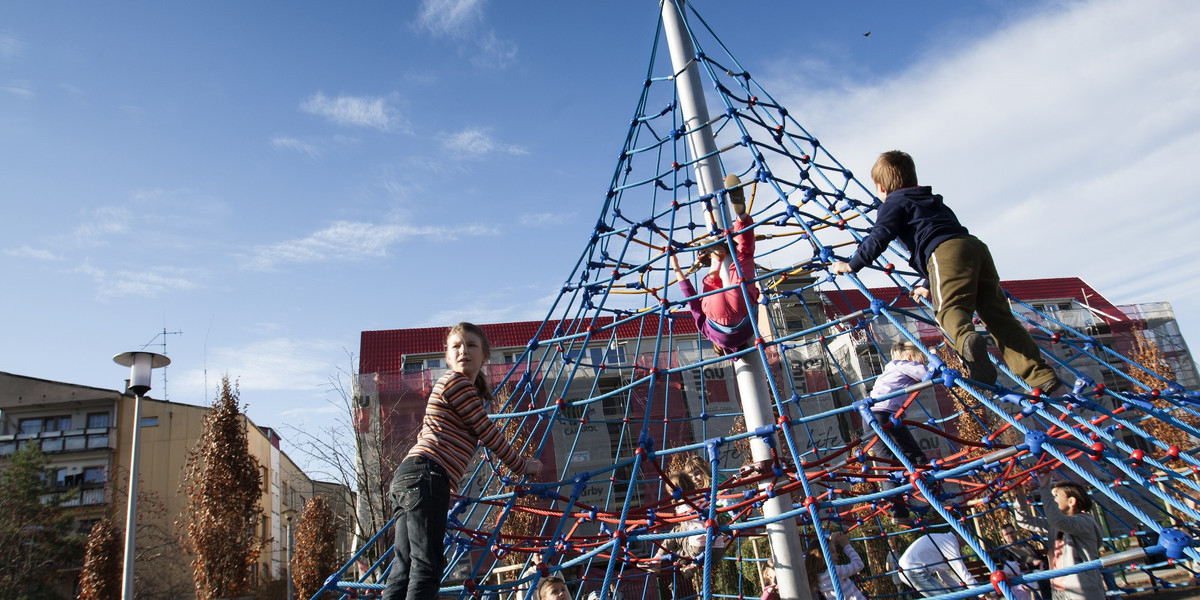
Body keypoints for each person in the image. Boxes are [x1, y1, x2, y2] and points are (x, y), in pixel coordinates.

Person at [830, 151, 1061, 395]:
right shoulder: (932, 200)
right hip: (974, 247)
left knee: (949, 311)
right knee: (999, 317)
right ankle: (1040, 375)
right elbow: (944, 236)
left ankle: (967, 345)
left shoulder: (892, 203)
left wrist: (853, 264)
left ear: (880, 187)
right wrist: (929, 282)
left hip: (944, 252)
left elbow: (880, 235)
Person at [382, 323, 543, 600]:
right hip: (428, 476)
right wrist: (523, 465)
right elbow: (487, 432)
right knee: (427, 564)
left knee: (404, 565)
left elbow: (433, 431)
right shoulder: (457, 383)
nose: (463, 351)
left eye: (471, 345)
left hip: (410, 475)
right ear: (447, 356)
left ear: (485, 356)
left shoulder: (454, 388)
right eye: (456, 346)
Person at [670, 174, 760, 357]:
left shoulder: (749, 335)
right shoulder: (708, 334)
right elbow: (693, 302)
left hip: (741, 307)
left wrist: (753, 294)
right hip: (715, 313)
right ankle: (715, 262)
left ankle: (741, 217)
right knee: (712, 286)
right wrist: (676, 267)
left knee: (744, 256)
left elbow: (755, 308)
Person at [865, 341, 931, 522]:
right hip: (886, 415)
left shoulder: (889, 369)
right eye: (920, 360)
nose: (922, 363)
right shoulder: (903, 365)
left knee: (888, 466)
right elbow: (928, 374)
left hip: (869, 417)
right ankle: (930, 489)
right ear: (910, 357)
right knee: (913, 453)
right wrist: (934, 358)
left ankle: (899, 513)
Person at [1013, 479, 1105, 600]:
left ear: (1071, 501)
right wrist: (1020, 496)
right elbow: (1025, 521)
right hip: (1058, 588)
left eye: (1055, 495)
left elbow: (1058, 521)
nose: (1051, 499)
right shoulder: (1055, 525)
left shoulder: (1084, 521)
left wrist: (1044, 488)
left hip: (1081, 588)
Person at [897, 530, 979, 597]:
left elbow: (943, 574)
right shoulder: (950, 544)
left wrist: (961, 591)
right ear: (959, 535)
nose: (969, 540)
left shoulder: (943, 539)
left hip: (907, 569)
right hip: (913, 570)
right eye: (968, 536)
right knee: (944, 597)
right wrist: (981, 594)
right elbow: (962, 573)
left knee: (946, 595)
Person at [805, 531, 867, 600]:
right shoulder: (835, 571)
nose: (837, 555)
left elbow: (814, 555)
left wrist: (831, 542)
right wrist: (846, 545)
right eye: (833, 551)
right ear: (821, 556)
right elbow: (859, 564)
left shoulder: (816, 576)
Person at [999, 523, 1051, 599]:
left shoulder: (1025, 544)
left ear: (1016, 532)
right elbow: (1011, 567)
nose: (1010, 535)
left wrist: (1042, 562)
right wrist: (1031, 563)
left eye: (1011, 532)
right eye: (1007, 534)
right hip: (1025, 573)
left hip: (1040, 568)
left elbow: (1039, 556)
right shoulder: (1004, 551)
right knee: (1042, 578)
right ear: (1003, 537)